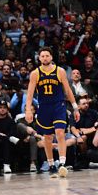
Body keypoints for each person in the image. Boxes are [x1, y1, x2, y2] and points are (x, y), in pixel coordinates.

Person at [25, 47, 80, 178]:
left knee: (60, 132)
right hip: (44, 107)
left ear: (51, 57)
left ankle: (62, 163)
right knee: (48, 137)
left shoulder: (60, 71)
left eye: (47, 56)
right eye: (42, 56)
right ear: (39, 58)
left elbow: (68, 90)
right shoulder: (35, 73)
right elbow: (30, 93)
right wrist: (28, 109)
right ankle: (51, 165)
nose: (45, 58)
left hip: (58, 105)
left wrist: (75, 107)